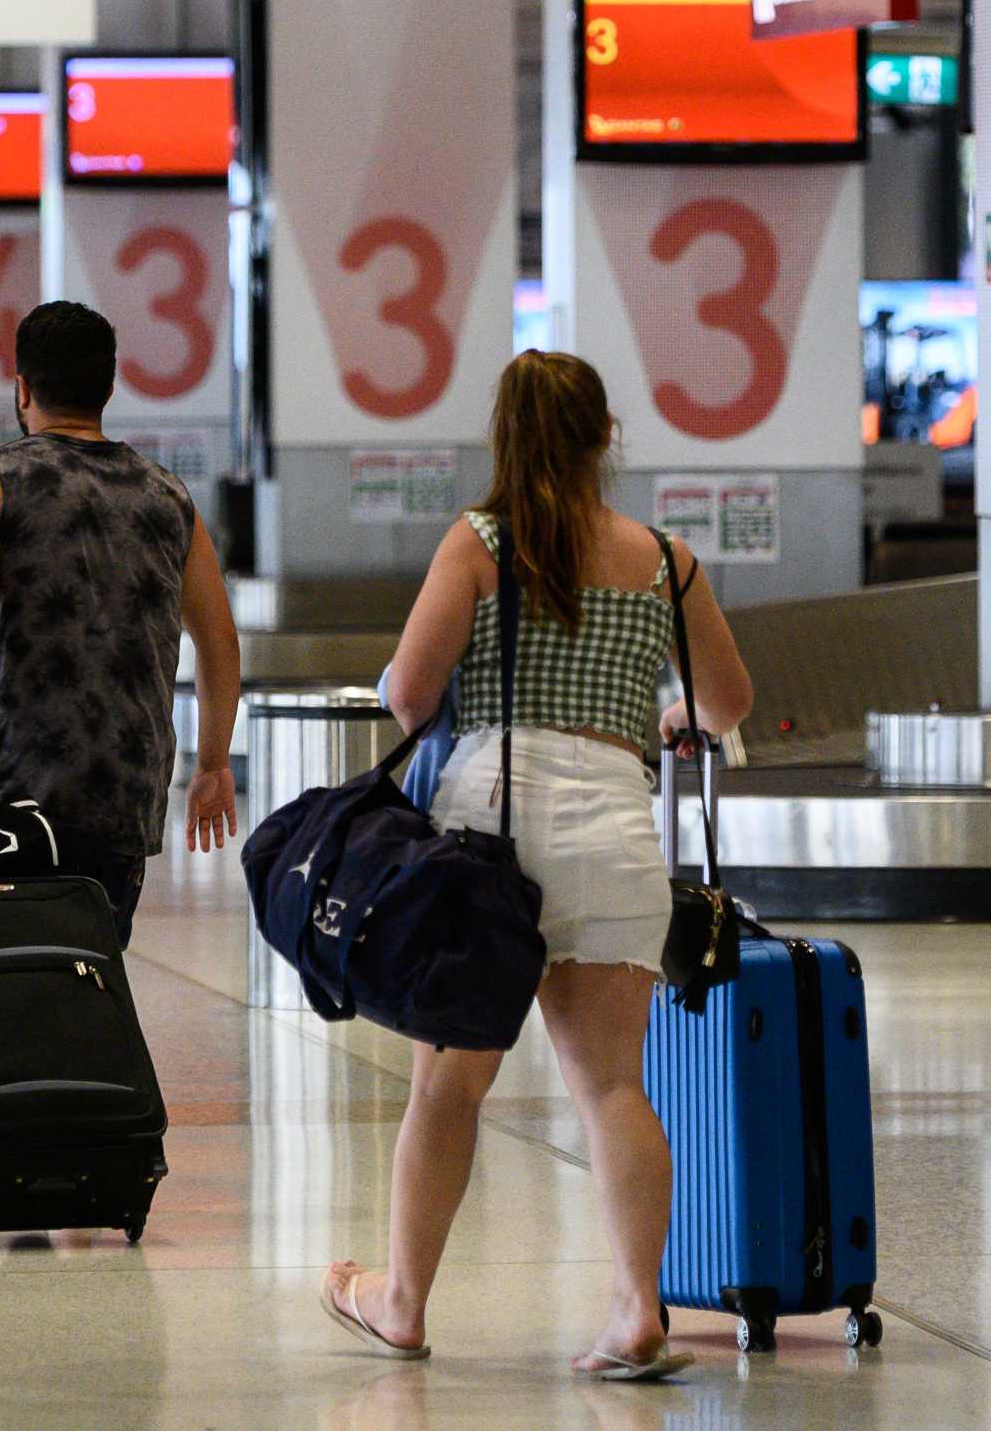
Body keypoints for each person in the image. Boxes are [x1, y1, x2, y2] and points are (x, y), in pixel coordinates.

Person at [328, 350, 755, 1382]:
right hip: (615, 823)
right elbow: (729, 700)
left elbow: (410, 693)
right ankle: (634, 1311)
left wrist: (412, 673)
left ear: (504, 438)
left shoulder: (480, 543)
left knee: (447, 1083)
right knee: (612, 1082)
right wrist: (672, 715)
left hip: (492, 831)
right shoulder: (664, 557)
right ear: (605, 437)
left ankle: (402, 1302)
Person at [0, 300, 242, 942]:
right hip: (124, 791)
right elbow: (217, 639)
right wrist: (212, 763)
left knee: (9, 975)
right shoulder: (168, 494)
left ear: (21, 388)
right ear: (109, 386)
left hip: (11, 790)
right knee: (89, 971)